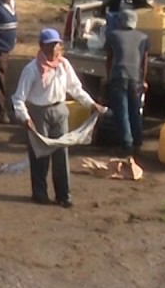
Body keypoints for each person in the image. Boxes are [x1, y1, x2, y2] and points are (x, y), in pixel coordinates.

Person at [12, 29, 106, 208]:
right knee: (40, 155)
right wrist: (25, 118)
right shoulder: (32, 69)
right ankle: (39, 194)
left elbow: (75, 88)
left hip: (60, 111)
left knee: (61, 154)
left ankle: (64, 195)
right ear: (42, 46)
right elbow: (18, 98)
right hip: (38, 113)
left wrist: (91, 104)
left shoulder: (63, 65)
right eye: (51, 45)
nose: (55, 49)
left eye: (56, 45)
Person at [104, 8, 150, 156]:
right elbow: (144, 61)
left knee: (122, 111)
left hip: (118, 76)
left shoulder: (113, 35)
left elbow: (109, 59)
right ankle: (138, 142)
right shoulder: (143, 37)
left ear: (120, 21)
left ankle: (126, 145)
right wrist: (143, 80)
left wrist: (108, 77)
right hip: (135, 77)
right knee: (135, 111)